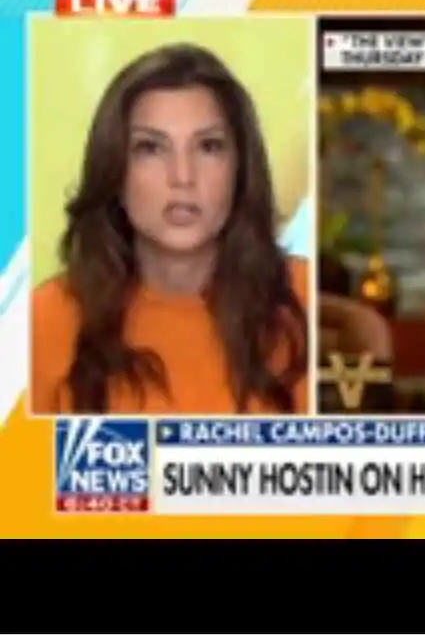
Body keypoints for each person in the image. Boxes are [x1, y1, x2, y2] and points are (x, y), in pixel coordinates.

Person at [31, 43, 309, 415]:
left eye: (208, 146)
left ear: (240, 169)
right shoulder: (44, 320)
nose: (182, 177)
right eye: (151, 148)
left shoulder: (306, 298)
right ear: (115, 172)